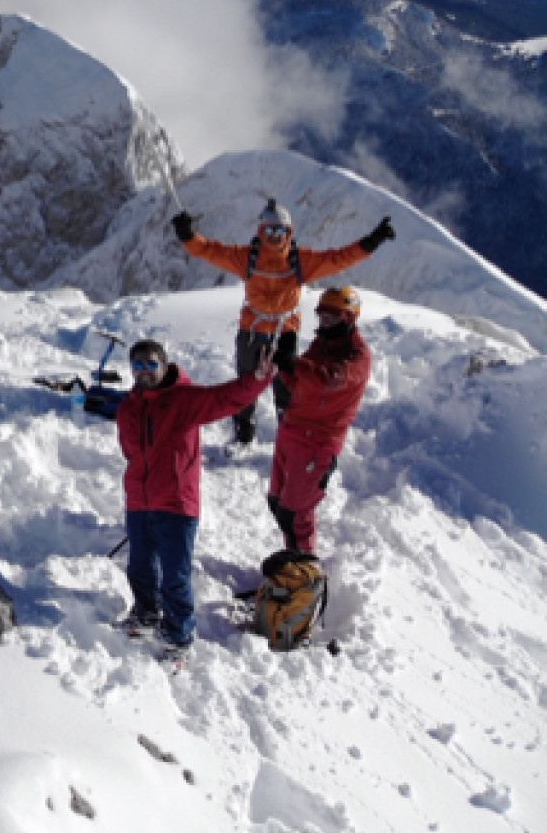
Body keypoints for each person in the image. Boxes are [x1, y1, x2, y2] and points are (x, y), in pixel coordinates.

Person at [89, 338, 275, 660]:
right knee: (139, 566)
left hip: (176, 501)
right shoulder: (130, 406)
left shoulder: (184, 399)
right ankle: (146, 614)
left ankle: (178, 636)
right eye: (138, 365)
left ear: (164, 365)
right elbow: (130, 450)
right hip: (139, 499)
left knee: (175, 575)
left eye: (151, 364)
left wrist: (257, 379)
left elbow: (224, 398)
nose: (145, 371)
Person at [172, 198, 393, 444]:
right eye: (270, 230)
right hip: (253, 329)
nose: (275, 235)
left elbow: (339, 258)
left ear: (289, 232)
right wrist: (188, 235)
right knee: (246, 382)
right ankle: (244, 434)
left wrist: (373, 241)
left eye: (281, 230)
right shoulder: (246, 257)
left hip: (285, 330)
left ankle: (286, 434)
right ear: (260, 231)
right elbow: (209, 250)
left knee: (287, 384)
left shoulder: (300, 260)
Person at [268, 287, 373, 558]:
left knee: (296, 513)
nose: (325, 324)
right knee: (278, 503)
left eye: (332, 318)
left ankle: (305, 573)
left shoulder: (357, 356)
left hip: (317, 441)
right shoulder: (322, 344)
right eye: (322, 317)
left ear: (349, 318)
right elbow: (300, 382)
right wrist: (286, 365)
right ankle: (293, 566)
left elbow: (330, 379)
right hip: (291, 431)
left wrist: (296, 364)